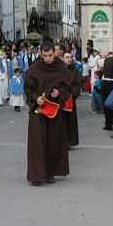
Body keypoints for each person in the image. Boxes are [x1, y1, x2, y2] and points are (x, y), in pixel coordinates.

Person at [24, 41, 72, 185]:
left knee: (53, 142)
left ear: (55, 52)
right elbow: (28, 88)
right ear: (40, 53)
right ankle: (37, 176)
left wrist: (60, 92)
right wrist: (35, 98)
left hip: (54, 110)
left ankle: (50, 173)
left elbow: (68, 88)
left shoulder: (61, 69)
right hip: (38, 111)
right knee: (37, 142)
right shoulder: (34, 68)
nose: (48, 59)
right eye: (45, 56)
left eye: (50, 55)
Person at [63, 52, 82, 148]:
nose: (69, 59)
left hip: (70, 99)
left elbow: (78, 84)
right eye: (67, 57)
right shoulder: (59, 70)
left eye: (70, 57)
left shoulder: (75, 71)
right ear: (62, 58)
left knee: (70, 122)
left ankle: (68, 142)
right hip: (59, 99)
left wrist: (72, 93)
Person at [100, 48, 113, 131]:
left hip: (106, 82)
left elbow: (103, 68)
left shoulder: (107, 59)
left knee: (106, 104)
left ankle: (108, 124)